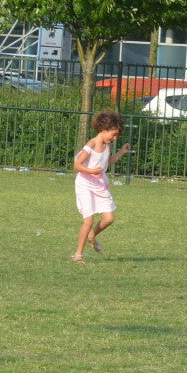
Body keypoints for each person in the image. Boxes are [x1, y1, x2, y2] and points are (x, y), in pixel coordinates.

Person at [72, 111, 131, 262]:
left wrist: (122, 152)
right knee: (89, 219)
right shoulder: (91, 145)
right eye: (114, 134)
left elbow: (105, 164)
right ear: (104, 129)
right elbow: (77, 165)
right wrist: (91, 171)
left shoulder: (107, 145)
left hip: (100, 184)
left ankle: (92, 235)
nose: (115, 138)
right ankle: (78, 255)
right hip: (85, 184)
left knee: (109, 218)